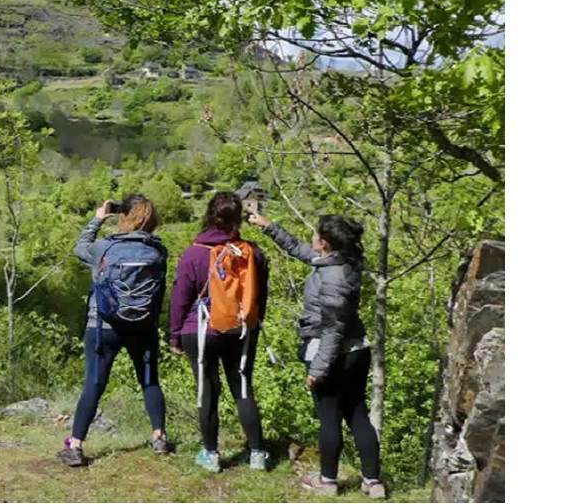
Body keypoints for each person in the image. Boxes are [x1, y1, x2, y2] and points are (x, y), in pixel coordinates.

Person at [249, 212, 386, 499]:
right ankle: (373, 482)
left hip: (332, 352)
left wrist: (318, 369)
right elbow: (301, 250)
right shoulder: (343, 262)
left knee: (329, 417)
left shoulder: (332, 278)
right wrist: (269, 226)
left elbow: (332, 332)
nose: (311, 238)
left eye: (315, 235)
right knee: (357, 413)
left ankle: (327, 480)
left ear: (324, 243)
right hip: (358, 349)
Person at [57, 194, 169, 467]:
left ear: (122, 215)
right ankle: (159, 436)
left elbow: (79, 247)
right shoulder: (158, 252)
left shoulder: (104, 248)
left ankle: (76, 445)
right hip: (143, 327)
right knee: (149, 381)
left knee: (94, 384)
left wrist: (97, 218)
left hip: (102, 327)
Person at [169, 191, 270, 473]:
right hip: (241, 330)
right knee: (242, 387)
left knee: (208, 390)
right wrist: (253, 324)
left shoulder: (194, 253)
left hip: (200, 329)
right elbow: (261, 297)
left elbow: (180, 298)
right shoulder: (253, 254)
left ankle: (211, 454)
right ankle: (257, 454)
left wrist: (175, 335)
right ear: (238, 218)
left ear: (209, 216)